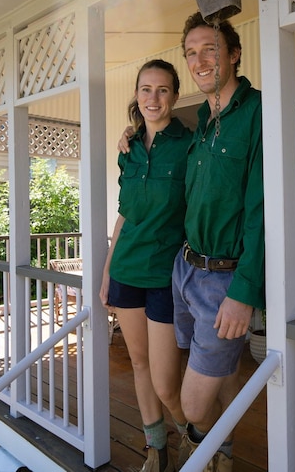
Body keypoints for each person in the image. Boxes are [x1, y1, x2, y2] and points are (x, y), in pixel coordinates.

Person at [120, 13, 265, 472]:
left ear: (234, 54)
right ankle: (222, 455)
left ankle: (202, 447)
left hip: (224, 278)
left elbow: (263, 209)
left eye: (211, 49)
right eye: (192, 52)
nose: (200, 60)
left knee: (192, 402)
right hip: (184, 270)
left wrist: (245, 292)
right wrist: (130, 132)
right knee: (219, 375)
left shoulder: (257, 111)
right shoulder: (204, 119)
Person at [101, 59, 192, 472]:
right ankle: (156, 448)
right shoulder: (129, 148)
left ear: (174, 95)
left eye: (162, 90)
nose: (153, 97)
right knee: (138, 363)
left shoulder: (189, 145)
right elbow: (123, 217)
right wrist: (106, 273)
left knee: (166, 383)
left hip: (164, 277)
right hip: (126, 271)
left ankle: (193, 439)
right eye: (145, 89)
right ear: (136, 95)